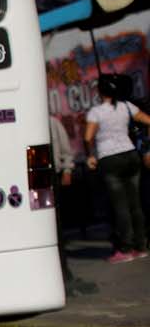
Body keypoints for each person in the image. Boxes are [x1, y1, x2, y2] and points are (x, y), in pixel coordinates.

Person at [83, 76, 150, 263]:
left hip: (109, 158)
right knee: (135, 203)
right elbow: (148, 121)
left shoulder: (96, 112)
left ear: (100, 92)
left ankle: (126, 248)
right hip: (131, 155)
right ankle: (141, 245)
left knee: (120, 205)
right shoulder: (127, 106)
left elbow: (88, 136)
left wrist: (90, 156)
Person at [50, 116, 97, 294]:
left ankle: (63, 271)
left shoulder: (52, 122)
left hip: (53, 173)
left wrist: (67, 169)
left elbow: (64, 148)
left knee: (56, 224)